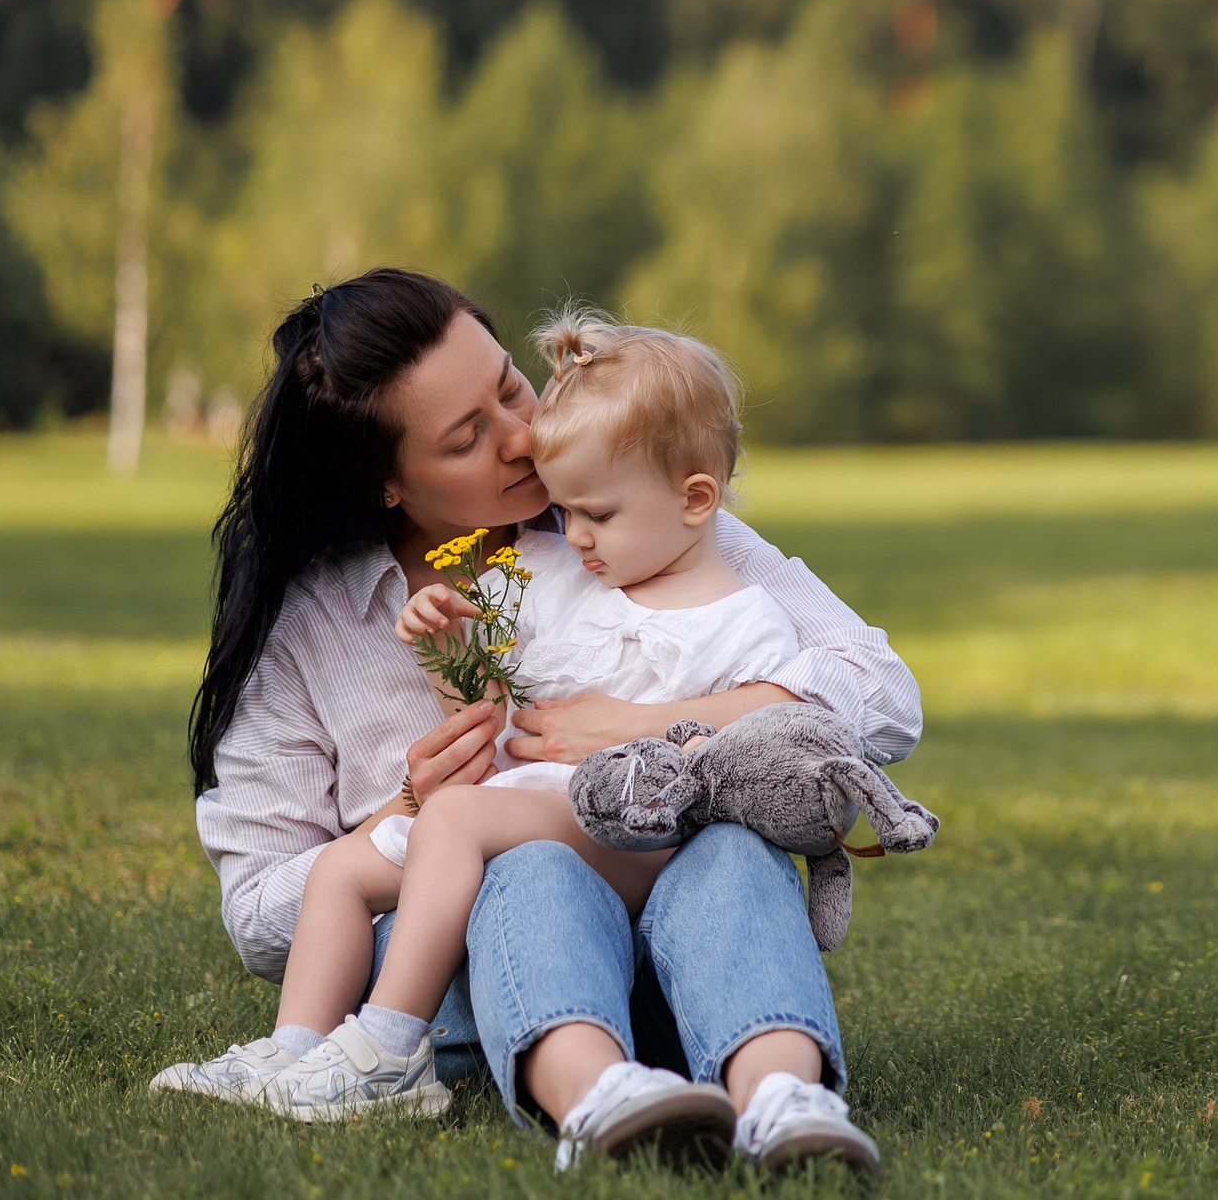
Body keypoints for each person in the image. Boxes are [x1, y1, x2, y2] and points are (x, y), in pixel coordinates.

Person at [150, 270, 921, 1171]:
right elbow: (257, 918)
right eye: (468, 437)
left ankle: (782, 1094)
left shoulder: (630, 512)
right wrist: (411, 810)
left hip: (688, 924)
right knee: (530, 868)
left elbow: (879, 688)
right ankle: (581, 1090)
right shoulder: (314, 629)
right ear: (386, 486)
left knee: (736, 853)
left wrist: (654, 726)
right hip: (505, 950)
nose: (523, 436)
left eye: (510, 386)